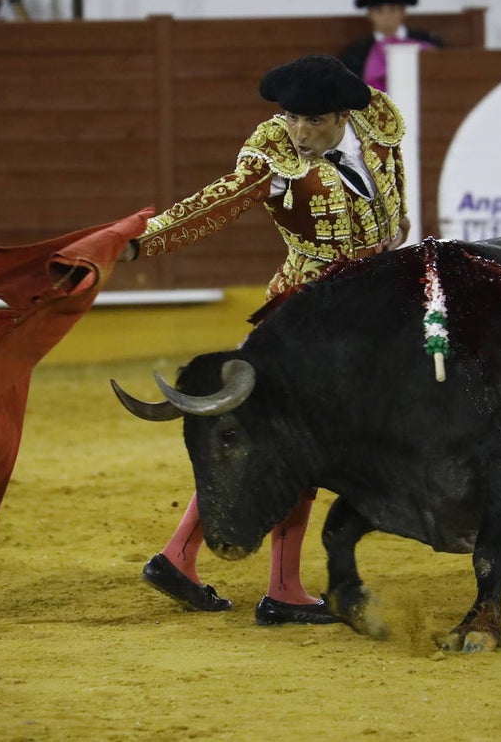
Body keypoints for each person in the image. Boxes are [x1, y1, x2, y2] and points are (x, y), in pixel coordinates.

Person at [123, 54, 411, 626]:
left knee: (273, 439)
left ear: (344, 116)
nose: (300, 133)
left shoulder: (376, 126)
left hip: (373, 309)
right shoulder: (273, 156)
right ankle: (281, 587)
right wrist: (138, 242)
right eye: (291, 118)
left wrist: (394, 228)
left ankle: (179, 558)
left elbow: (393, 190)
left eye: (315, 121)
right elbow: (215, 204)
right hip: (304, 315)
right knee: (290, 446)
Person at [340, 0, 442, 92]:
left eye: (392, 10)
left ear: (403, 12)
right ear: (369, 15)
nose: (386, 17)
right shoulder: (357, 51)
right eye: (379, 11)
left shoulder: (426, 41)